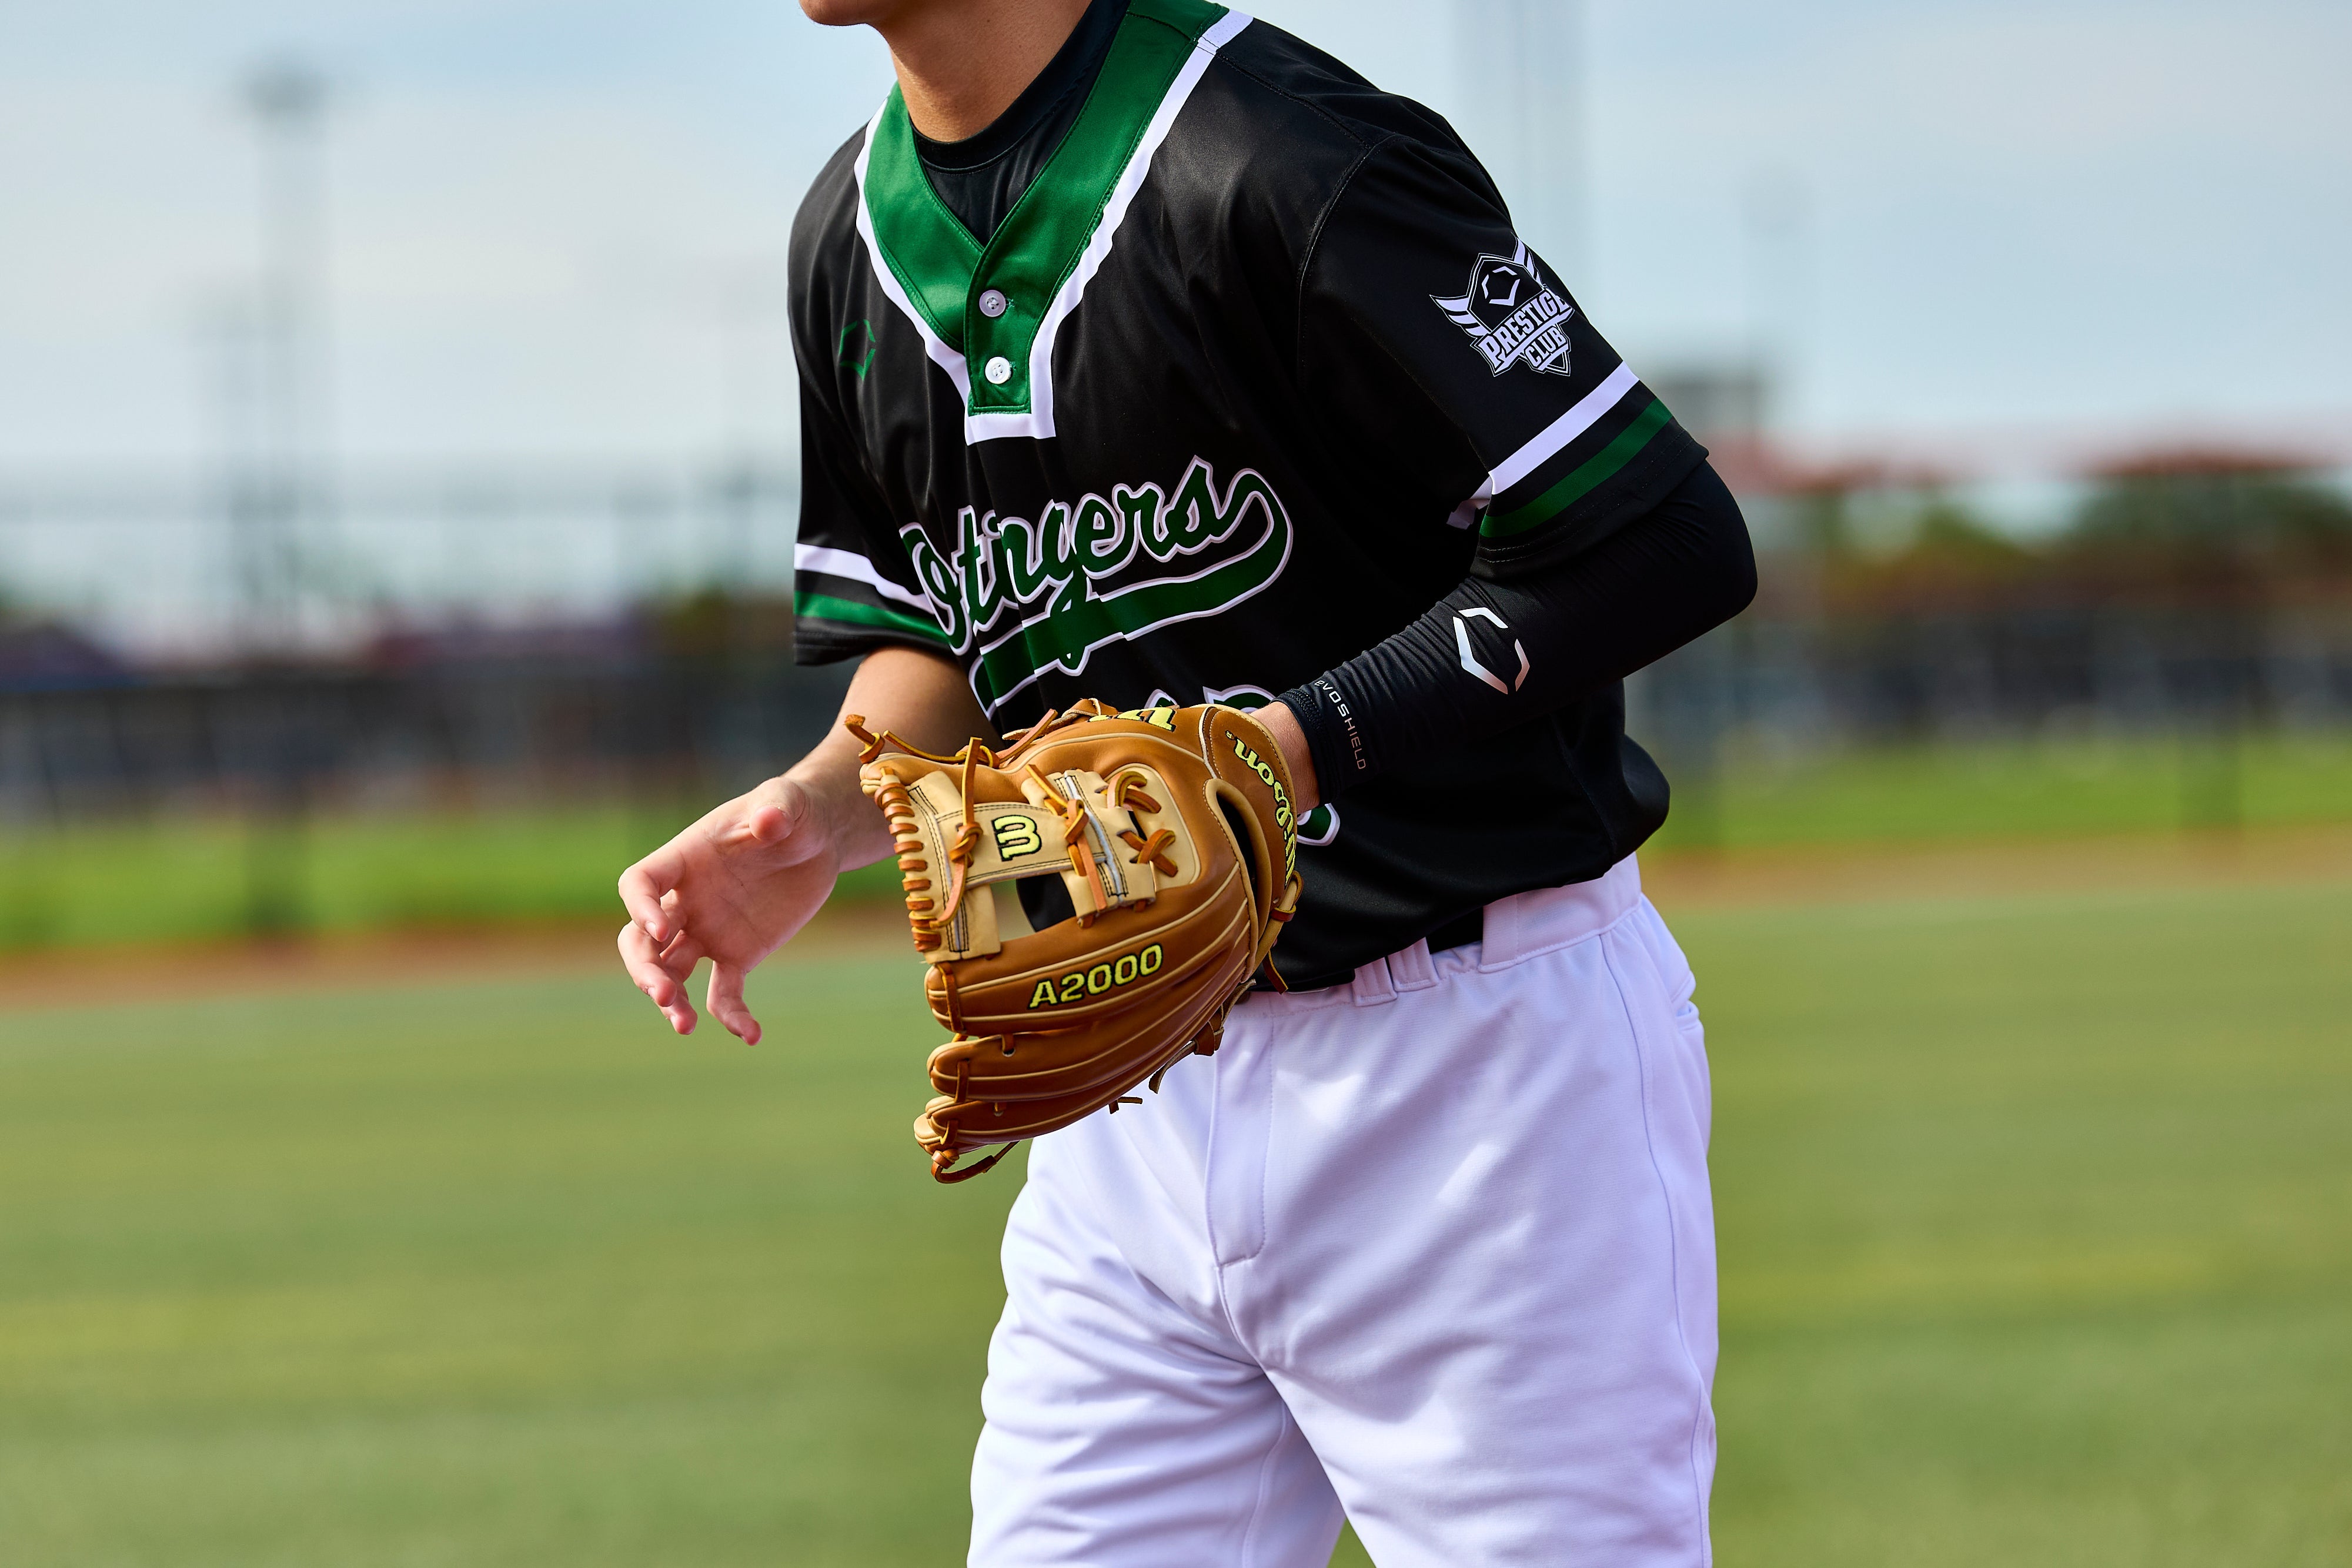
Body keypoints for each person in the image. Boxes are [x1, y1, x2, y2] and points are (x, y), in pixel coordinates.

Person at [617, 0, 1756, 1560]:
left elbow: (1662, 538)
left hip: (1474, 1082)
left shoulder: (1284, 155)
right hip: (1132, 1084)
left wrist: (1289, 749)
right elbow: (952, 636)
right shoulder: (848, 240)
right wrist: (819, 805)